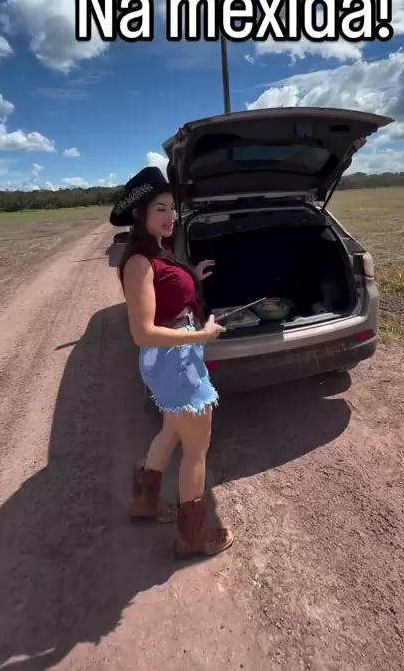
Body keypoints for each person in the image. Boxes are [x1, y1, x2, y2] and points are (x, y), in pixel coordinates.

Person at [110, 166, 234, 559]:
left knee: (171, 431)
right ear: (139, 214)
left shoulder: (155, 252)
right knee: (197, 450)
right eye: (160, 208)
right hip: (175, 360)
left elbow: (166, 297)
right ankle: (193, 537)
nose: (171, 215)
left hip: (170, 361)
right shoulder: (138, 262)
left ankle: (145, 500)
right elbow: (143, 332)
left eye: (172, 207)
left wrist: (191, 277)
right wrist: (201, 336)